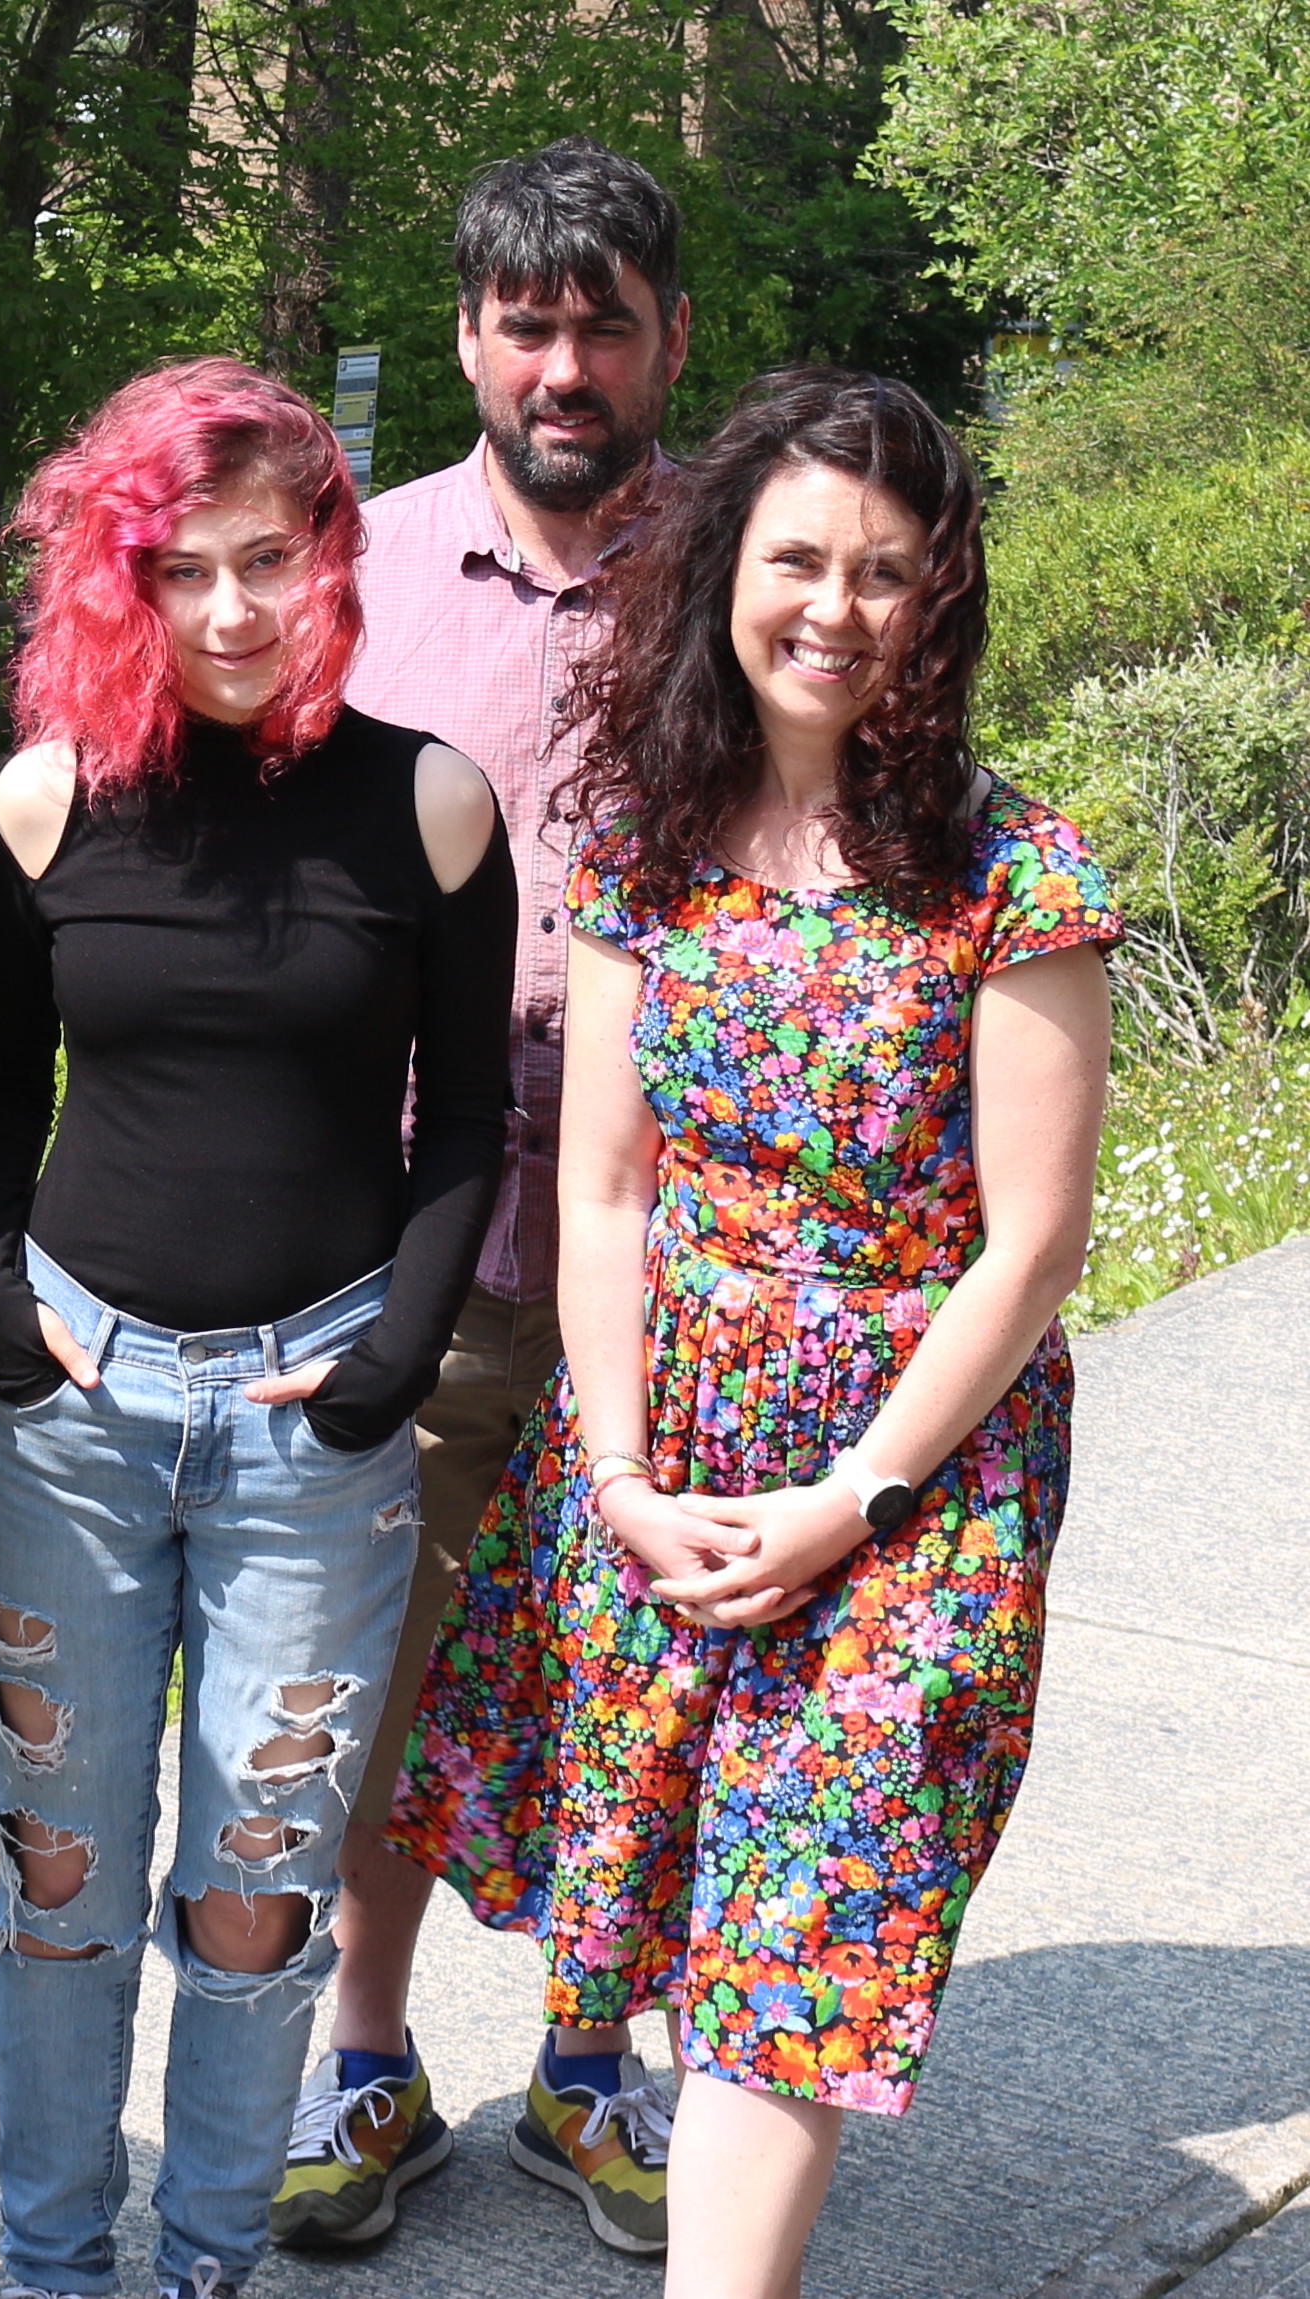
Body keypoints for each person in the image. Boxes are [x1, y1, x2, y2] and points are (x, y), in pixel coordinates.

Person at [388, 369, 1116, 2299]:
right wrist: (619, 1475)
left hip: (912, 1474)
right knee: (673, 1909)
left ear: (940, 601)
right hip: (664, 1441)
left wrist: (856, 1499)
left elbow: (1031, 1244)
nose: (836, 606)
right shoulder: (644, 836)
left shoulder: (1011, 869)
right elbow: (605, 1191)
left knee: (799, 1940)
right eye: (798, 556)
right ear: (725, 568)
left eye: (888, 573)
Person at [0, 356, 517, 2299]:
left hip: (313, 1427)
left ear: (328, 559)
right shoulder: (44, 803)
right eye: (178, 569)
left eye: (266, 561)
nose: (229, 610)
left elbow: (473, 1121)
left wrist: (388, 1370)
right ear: (120, 579)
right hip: (77, 1423)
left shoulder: (428, 805)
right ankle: (53, 2270)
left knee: (259, 1893)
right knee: (63, 1883)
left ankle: (201, 2264)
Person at [276, 135, 696, 2257]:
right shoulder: (353, 566)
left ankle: (595, 2059)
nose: (561, 362)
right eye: (525, 322)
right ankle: (363, 2060)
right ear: (465, 334)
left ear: (666, 340)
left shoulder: (743, 570)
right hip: (406, 1213)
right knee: (383, 1651)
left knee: (644, 1660)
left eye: (600, 321)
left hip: (680, 1230)